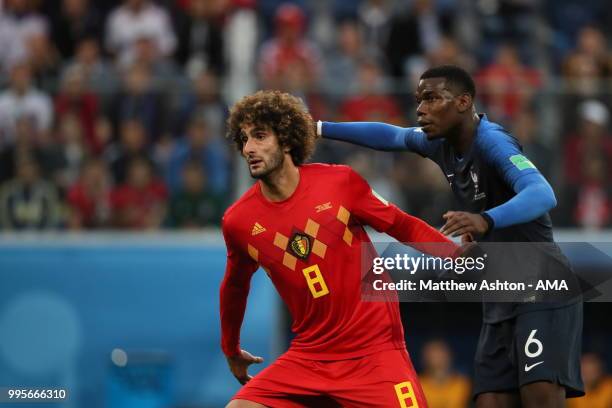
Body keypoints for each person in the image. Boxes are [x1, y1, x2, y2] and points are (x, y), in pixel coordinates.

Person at [319, 65, 584, 407]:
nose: (420, 109)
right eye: (418, 100)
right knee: (490, 401)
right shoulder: (439, 143)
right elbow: (391, 136)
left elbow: (543, 193)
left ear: (462, 102)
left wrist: (486, 220)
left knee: (540, 398)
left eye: (431, 98)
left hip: (541, 283)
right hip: (501, 291)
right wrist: (319, 128)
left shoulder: (492, 141)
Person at [220, 90, 460, 407]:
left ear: (287, 140)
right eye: (244, 138)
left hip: (375, 353)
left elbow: (402, 225)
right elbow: (235, 286)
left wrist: (458, 257)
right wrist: (231, 349)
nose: (249, 147)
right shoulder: (239, 221)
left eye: (260, 136)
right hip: (308, 357)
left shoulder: (339, 183)